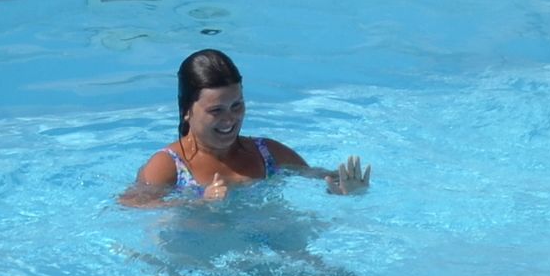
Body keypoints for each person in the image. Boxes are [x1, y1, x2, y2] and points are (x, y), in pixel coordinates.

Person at [121, 49, 371, 207]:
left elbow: (319, 177)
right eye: (216, 111)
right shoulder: (168, 165)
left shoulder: (267, 153)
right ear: (187, 111)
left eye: (237, 105)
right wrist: (197, 203)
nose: (230, 119)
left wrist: (344, 191)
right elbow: (129, 206)